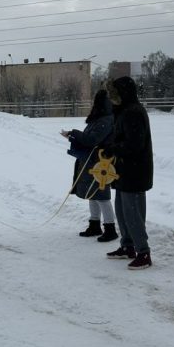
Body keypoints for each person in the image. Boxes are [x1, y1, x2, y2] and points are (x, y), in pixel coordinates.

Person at [101, 76, 153, 270]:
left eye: (114, 94)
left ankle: (143, 252)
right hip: (123, 170)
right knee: (122, 212)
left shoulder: (133, 112)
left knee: (133, 214)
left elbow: (135, 144)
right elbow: (121, 137)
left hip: (135, 171)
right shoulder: (123, 111)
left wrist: (114, 149)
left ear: (123, 93)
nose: (111, 98)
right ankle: (127, 246)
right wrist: (110, 147)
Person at [60, 89, 117, 242]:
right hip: (92, 161)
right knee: (93, 194)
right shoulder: (99, 119)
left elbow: (92, 140)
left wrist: (73, 133)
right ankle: (94, 225)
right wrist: (72, 136)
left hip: (100, 163)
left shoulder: (106, 120)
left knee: (102, 196)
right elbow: (88, 139)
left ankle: (110, 229)